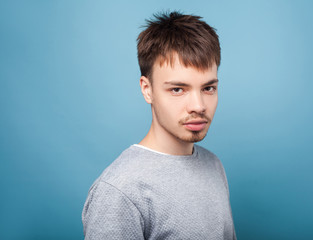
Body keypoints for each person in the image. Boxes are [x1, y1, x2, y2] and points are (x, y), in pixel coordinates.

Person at [82, 11, 236, 240]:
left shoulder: (213, 165)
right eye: (177, 89)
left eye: (208, 88)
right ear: (147, 89)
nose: (198, 106)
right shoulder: (120, 191)